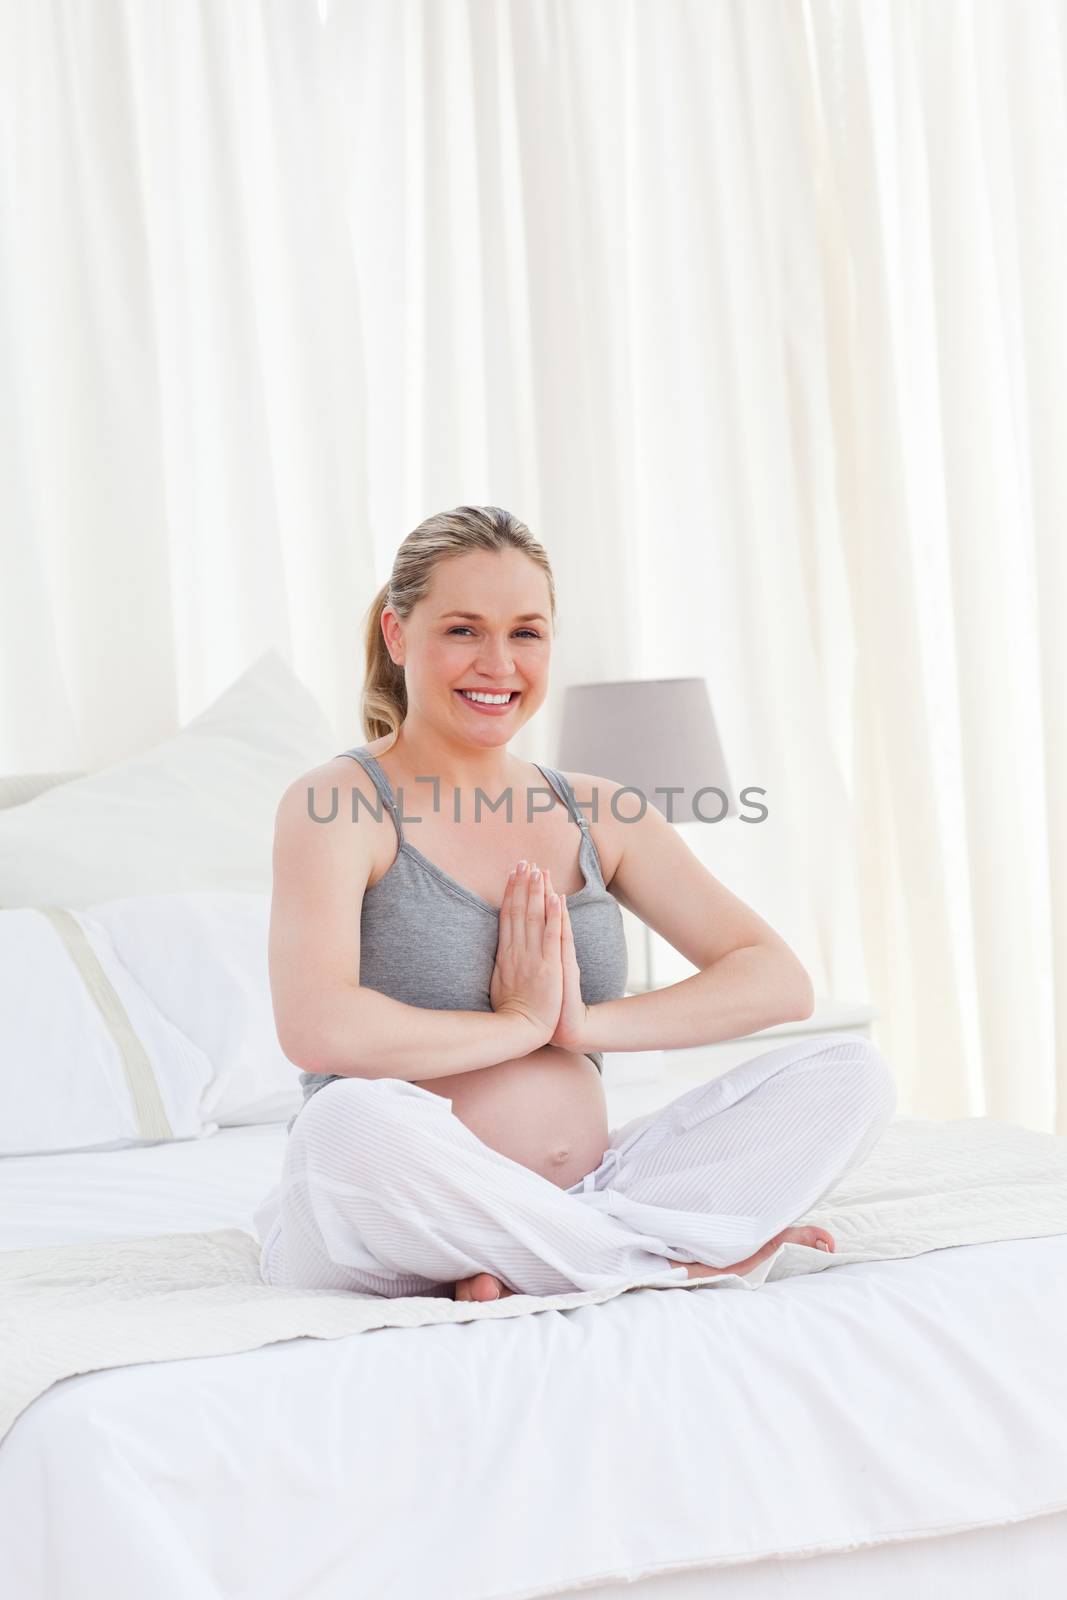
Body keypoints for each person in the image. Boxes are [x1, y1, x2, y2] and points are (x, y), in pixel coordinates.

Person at [252, 505, 896, 1301]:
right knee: (344, 1124)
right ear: (396, 635)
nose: (498, 664)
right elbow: (317, 1029)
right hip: (391, 1204)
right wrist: (513, 1027)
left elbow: (774, 980)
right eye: (462, 631)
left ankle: (539, 1257)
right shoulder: (340, 802)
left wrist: (579, 1025)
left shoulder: (600, 810)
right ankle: (656, 1261)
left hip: (587, 1185)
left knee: (849, 1072)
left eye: (525, 633)